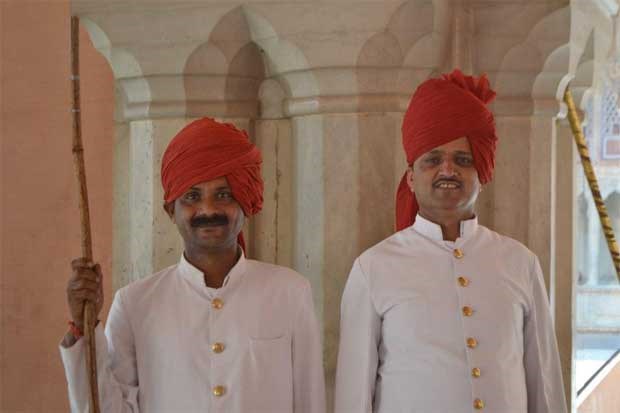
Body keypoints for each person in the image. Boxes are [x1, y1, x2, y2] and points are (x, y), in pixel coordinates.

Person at [334, 69, 567, 413]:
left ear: (482, 175)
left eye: (463, 160)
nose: (447, 170)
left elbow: (544, 386)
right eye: (433, 160)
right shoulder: (373, 268)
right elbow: (353, 396)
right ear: (411, 178)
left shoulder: (520, 262)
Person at [60, 118, 326, 413]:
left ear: (246, 202)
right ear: (170, 210)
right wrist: (82, 327)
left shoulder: (289, 292)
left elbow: (310, 402)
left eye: (223, 195)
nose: (208, 209)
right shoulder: (135, 304)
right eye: (192, 197)